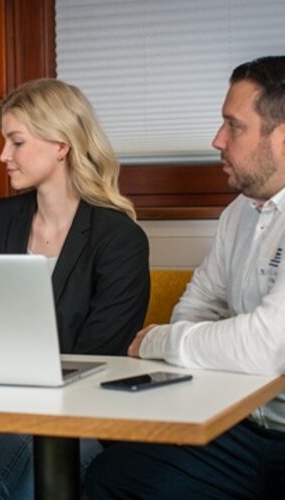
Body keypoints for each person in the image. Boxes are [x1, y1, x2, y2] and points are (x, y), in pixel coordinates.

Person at [85, 55, 285, 500]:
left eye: (233, 126)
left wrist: (158, 340)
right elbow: (194, 308)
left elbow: (266, 347)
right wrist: (204, 341)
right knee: (114, 475)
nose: (217, 140)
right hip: (240, 426)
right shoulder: (238, 214)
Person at [0, 78, 150, 499]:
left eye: (16, 142)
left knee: (24, 486)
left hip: (84, 412)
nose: (3, 155)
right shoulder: (5, 217)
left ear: (61, 145)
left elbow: (97, 358)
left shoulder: (119, 238)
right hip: (11, 404)